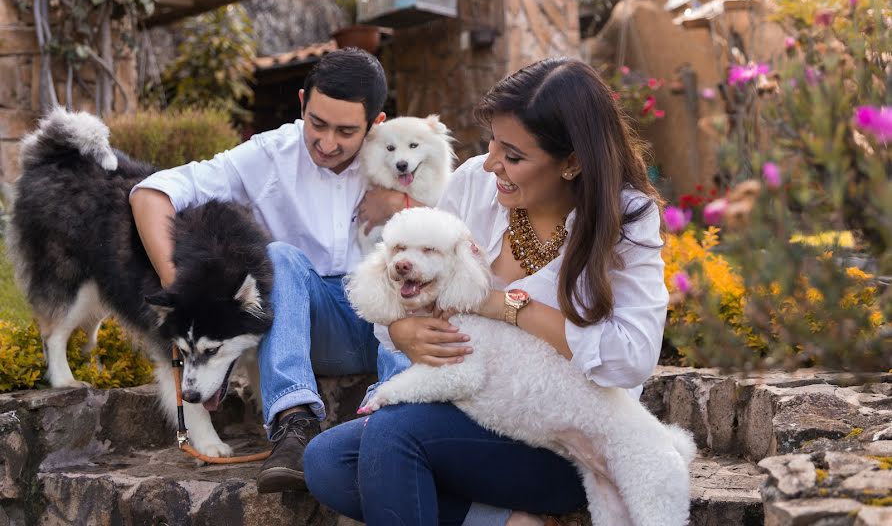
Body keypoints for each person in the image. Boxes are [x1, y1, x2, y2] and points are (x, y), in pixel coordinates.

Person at [301, 57, 670, 526]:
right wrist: (403, 327)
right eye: (492, 141)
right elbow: (408, 277)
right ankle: (503, 522)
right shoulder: (476, 183)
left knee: (392, 436)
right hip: (472, 408)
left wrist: (506, 307)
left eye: (513, 156)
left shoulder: (626, 218)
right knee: (327, 461)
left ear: (573, 162)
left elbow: (630, 357)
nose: (492, 162)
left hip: (565, 439)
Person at [130, 48, 413, 493]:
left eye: (346, 131)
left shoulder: (404, 156)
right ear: (302, 103)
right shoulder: (268, 154)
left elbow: (458, 230)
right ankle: (293, 425)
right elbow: (151, 193)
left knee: (404, 265)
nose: (327, 141)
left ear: (376, 124)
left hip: (390, 325)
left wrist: (405, 204)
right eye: (317, 123)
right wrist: (177, 289)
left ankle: (399, 422)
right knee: (278, 257)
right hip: (306, 324)